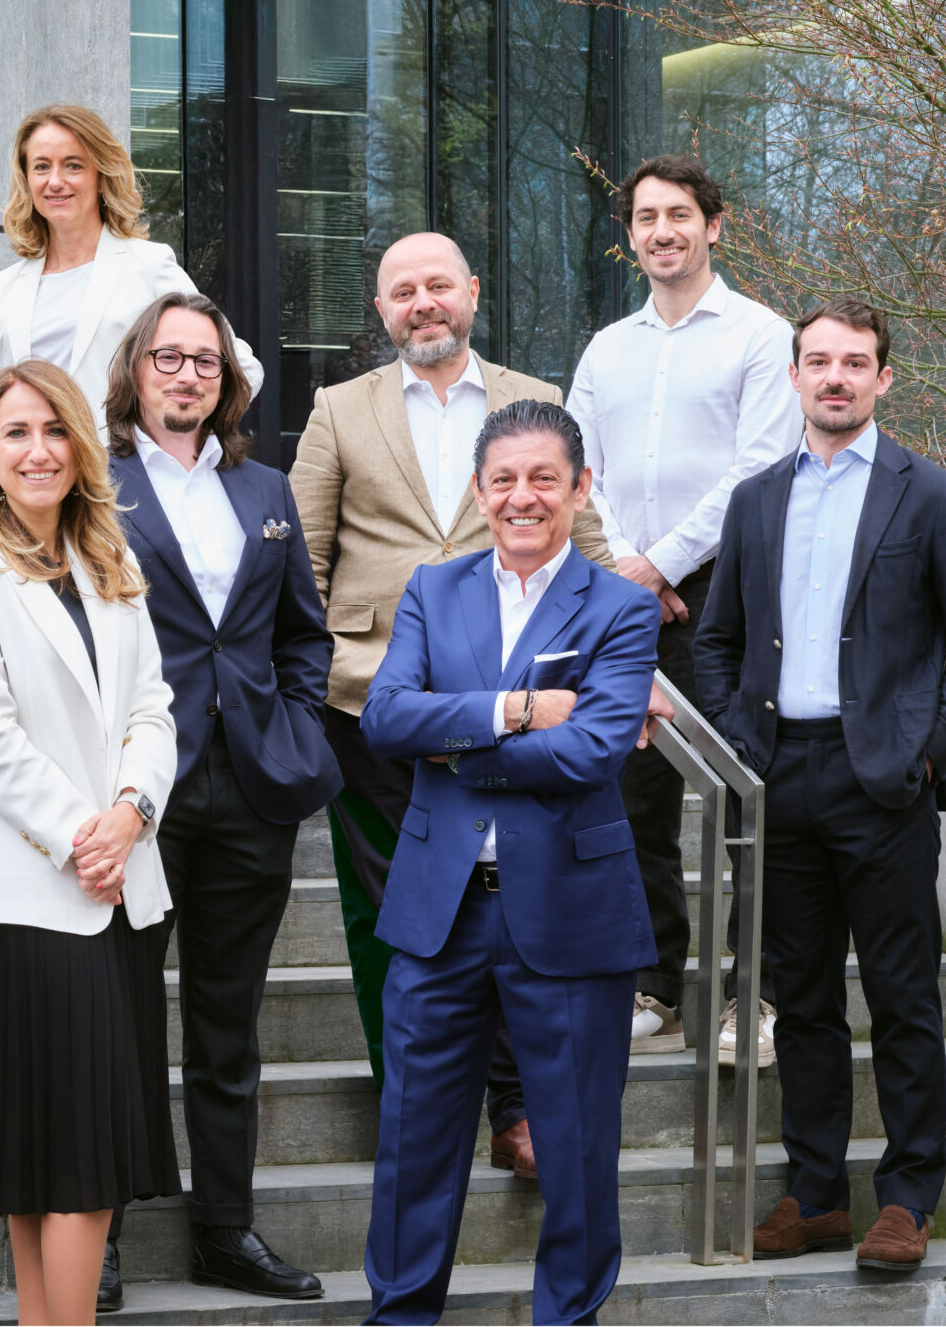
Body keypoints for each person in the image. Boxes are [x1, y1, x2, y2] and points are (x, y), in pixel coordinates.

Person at [288, 233, 616, 1195]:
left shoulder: (535, 399)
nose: (422, 302)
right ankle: (411, 1098)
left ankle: (515, 1111)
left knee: (507, 903)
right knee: (397, 913)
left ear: (471, 292)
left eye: (438, 284)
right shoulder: (339, 408)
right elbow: (303, 562)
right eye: (402, 291)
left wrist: (618, 664)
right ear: (381, 310)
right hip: (369, 703)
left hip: (510, 704)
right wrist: (314, 683)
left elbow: (584, 539)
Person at [694, 300, 946, 1273]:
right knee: (801, 1000)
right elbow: (715, 639)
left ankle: (906, 1197)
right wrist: (741, 742)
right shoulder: (754, 499)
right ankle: (817, 1192)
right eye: (819, 361)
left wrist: (928, 752)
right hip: (778, 775)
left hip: (884, 783)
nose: (835, 377)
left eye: (855, 362)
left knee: (902, 995)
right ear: (794, 376)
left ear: (883, 378)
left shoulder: (932, 496)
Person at [359, 398, 661, 1325]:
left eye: (543, 478)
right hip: (439, 910)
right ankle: (400, 1315)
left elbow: (594, 750)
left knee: (575, 1146)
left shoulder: (620, 606)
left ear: (580, 486)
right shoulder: (432, 589)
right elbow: (385, 719)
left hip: (571, 908)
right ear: (478, 490)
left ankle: (568, 1317)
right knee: (413, 1139)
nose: (522, 497)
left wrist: (454, 748)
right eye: (503, 480)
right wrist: (514, 711)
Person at [0, 358, 181, 1327]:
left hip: (121, 889)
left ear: (81, 444)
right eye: (15, 431)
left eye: (55, 429)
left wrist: (130, 812)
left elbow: (153, 707)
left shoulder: (110, 555)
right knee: (62, 1164)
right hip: (30, 895)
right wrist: (83, 838)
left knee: (74, 1162)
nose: (38, 450)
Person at [94, 294, 335, 1310]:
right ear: (135, 371)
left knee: (227, 1024)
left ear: (226, 380)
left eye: (204, 360)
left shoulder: (265, 487)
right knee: (116, 1021)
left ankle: (224, 1229)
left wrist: (295, 725)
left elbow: (302, 633)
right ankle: (95, 1235)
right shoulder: (93, 483)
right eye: (168, 357)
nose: (187, 374)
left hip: (249, 786)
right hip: (133, 790)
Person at [564, 156, 798, 1059]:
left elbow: (757, 470)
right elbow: (579, 469)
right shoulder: (606, 349)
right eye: (646, 217)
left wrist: (660, 563)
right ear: (629, 234)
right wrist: (629, 565)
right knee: (634, 797)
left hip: (726, 594)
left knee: (744, 796)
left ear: (714, 225)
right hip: (620, 594)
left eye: (680, 215)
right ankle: (653, 982)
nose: (662, 231)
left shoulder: (760, 336)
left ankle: (754, 996)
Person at [0, 104, 261, 427]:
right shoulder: (3, 287)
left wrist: (174, 441)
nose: (55, 181)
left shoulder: (148, 266)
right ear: (26, 179)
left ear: (100, 175)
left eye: (73, 165)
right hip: (31, 459)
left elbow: (243, 368)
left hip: (117, 459)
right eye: (41, 167)